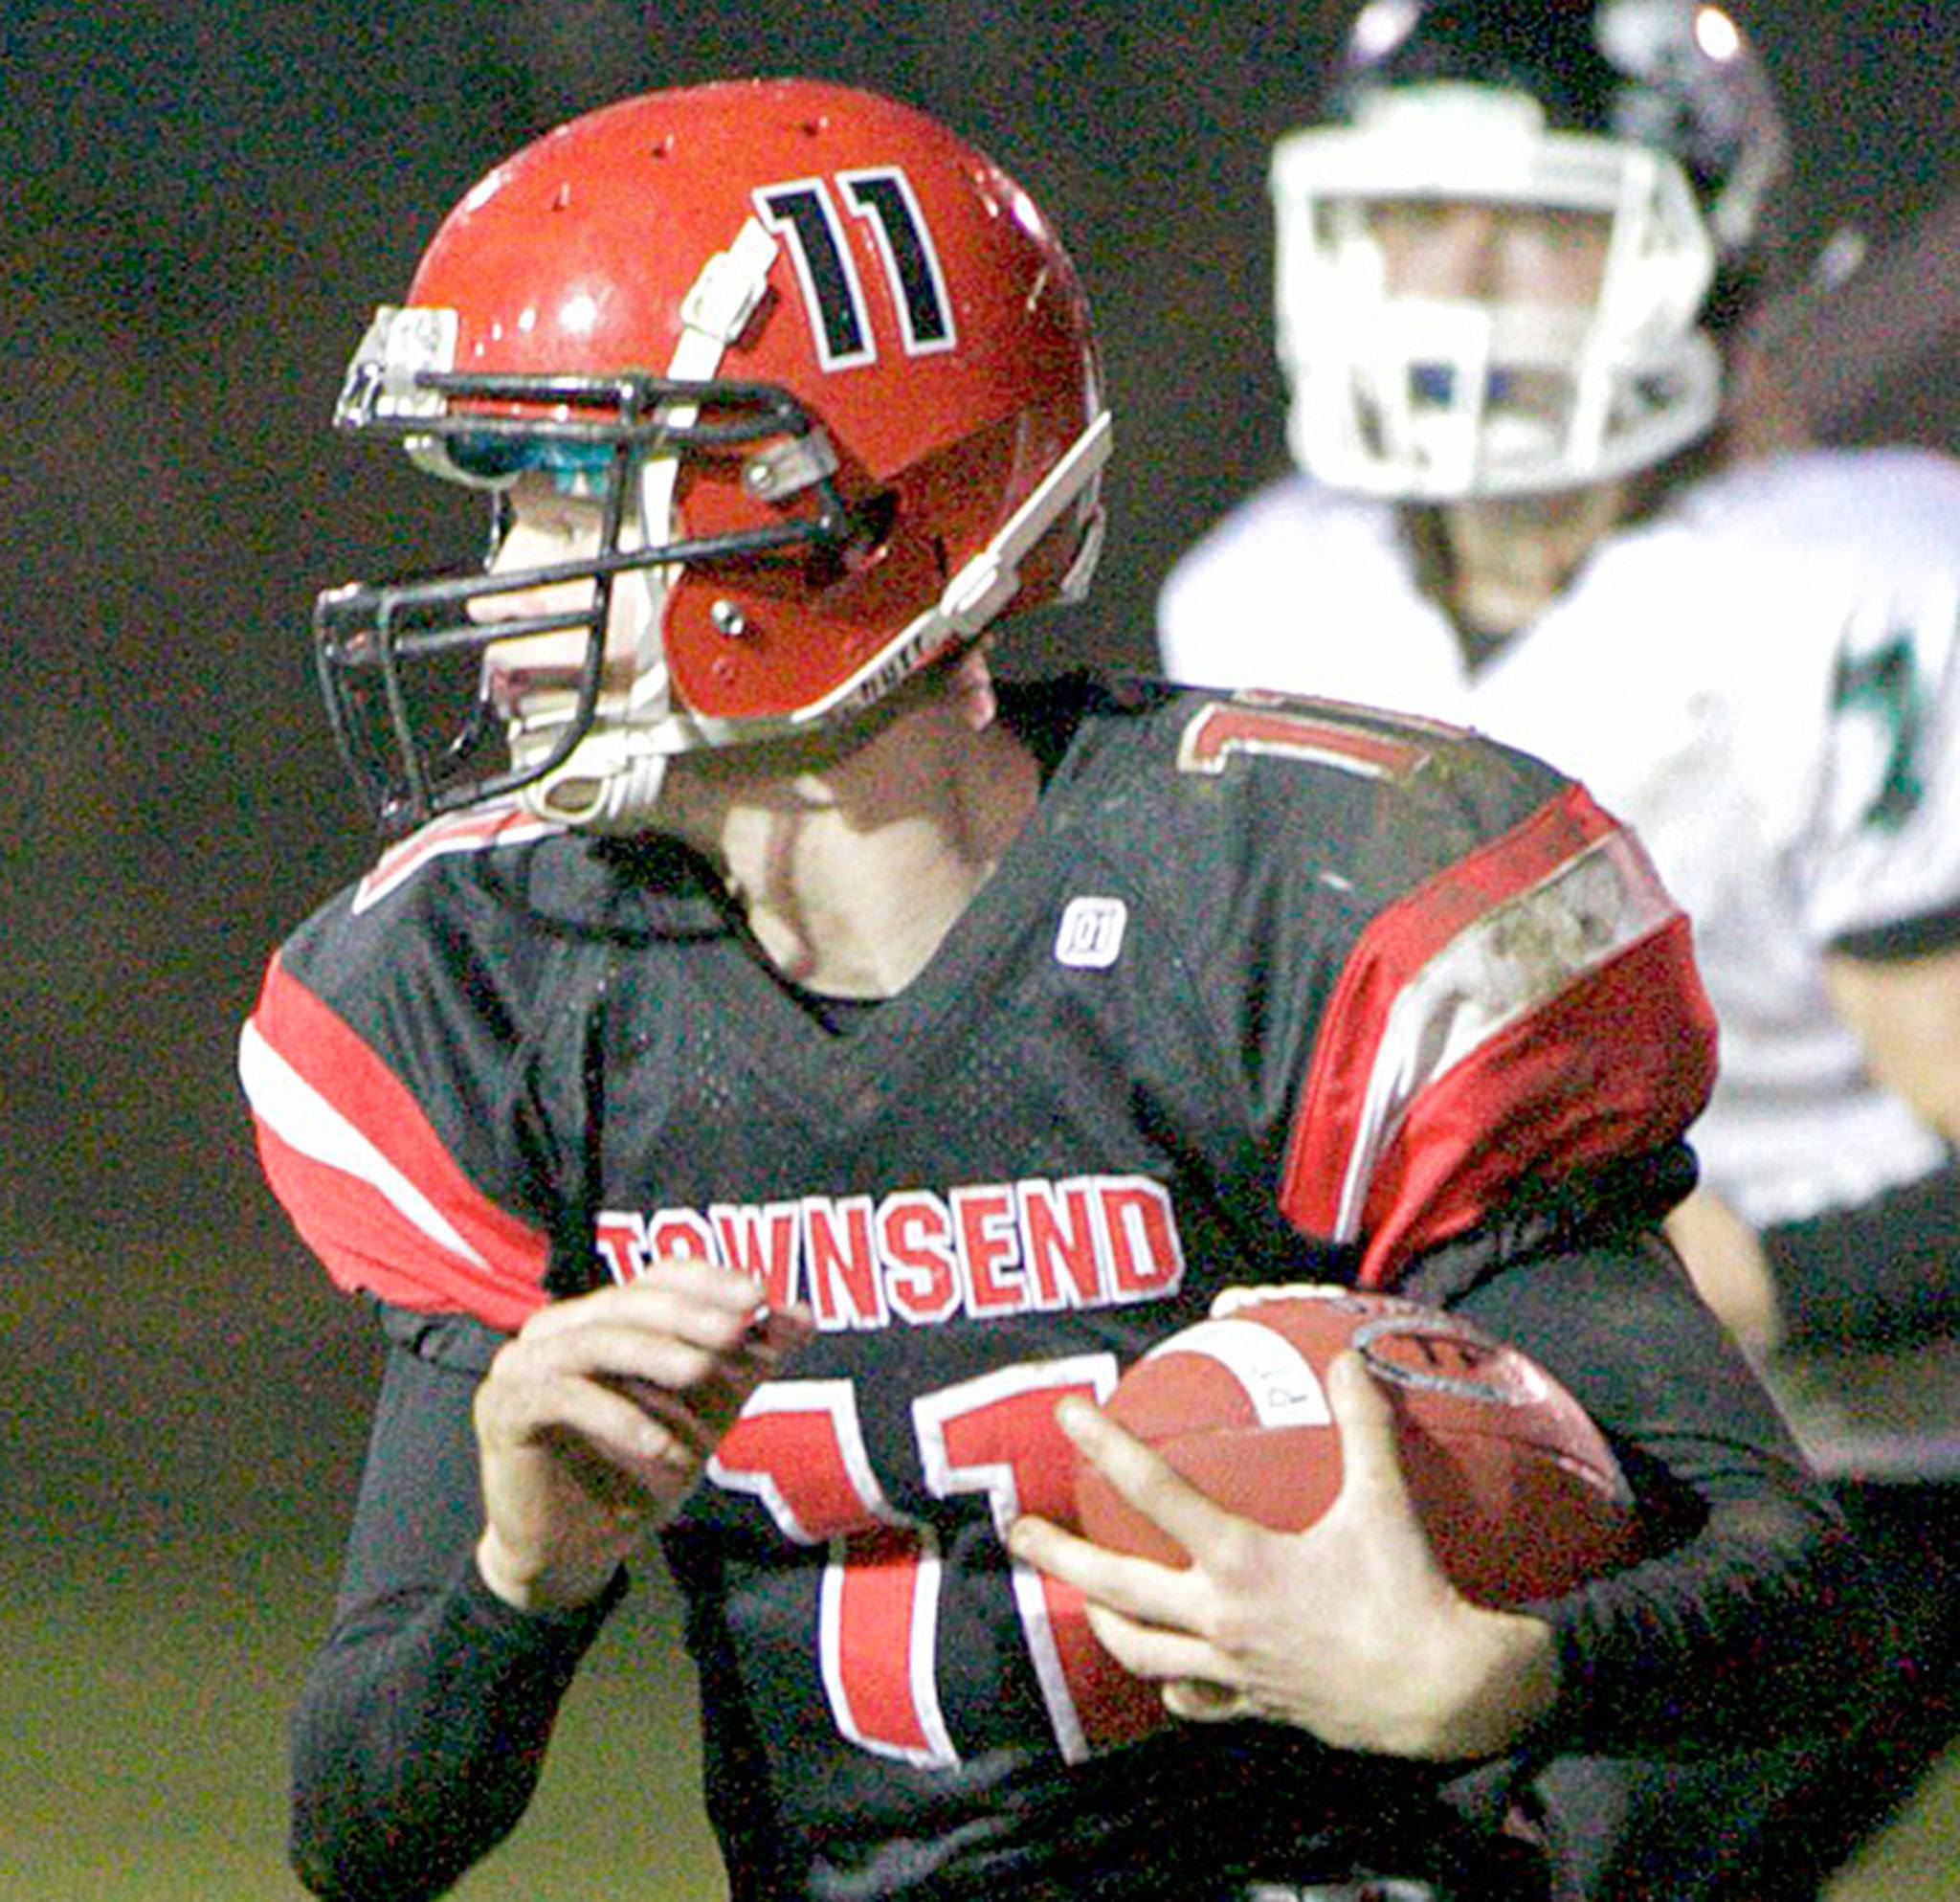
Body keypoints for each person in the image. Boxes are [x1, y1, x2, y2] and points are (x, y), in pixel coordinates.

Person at [241, 78, 1883, 1902]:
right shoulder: (506, 990)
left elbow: (1797, 1596)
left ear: (841, 521)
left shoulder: (1282, 916)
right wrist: (518, 1580)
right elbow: (361, 1841)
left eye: (566, 501)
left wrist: (1499, 1671)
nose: (506, 590)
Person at [1155, 1, 1960, 1892]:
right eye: (1411, 221)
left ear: (1691, 252)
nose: (1456, 285)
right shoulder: (1266, 590)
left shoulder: (1854, 585)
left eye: (1531, 225)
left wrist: (1753, 1280)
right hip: (1474, 1432)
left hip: (1848, 1462)